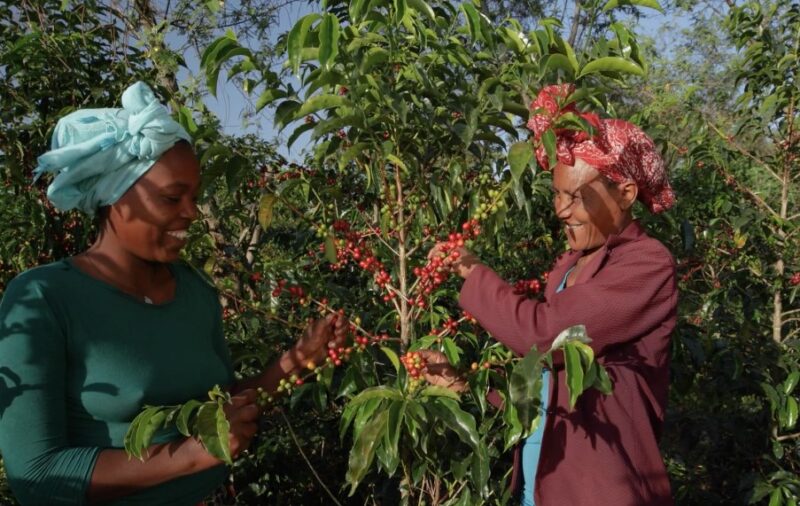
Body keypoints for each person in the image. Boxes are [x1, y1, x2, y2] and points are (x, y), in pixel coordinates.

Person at [0, 81, 347, 506]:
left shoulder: (194, 293)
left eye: (195, 197)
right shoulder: (42, 299)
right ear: (116, 198)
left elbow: (217, 409)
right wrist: (189, 457)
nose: (191, 213)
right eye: (171, 197)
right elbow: (35, 475)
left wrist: (295, 362)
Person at [424, 84, 677, 505]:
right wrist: (465, 383)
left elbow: (548, 335)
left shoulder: (646, 265)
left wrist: (473, 273)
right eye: (557, 194)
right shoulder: (568, 266)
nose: (562, 210)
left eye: (576, 197)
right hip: (540, 488)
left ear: (627, 193)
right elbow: (548, 390)